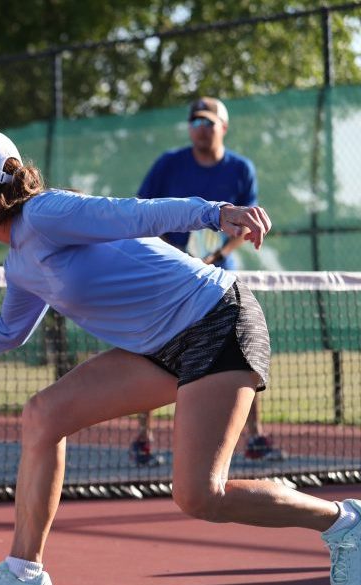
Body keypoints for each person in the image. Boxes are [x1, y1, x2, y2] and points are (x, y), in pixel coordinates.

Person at [0, 130, 359, 585]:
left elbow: (131, 214)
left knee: (199, 495)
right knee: (44, 415)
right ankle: (23, 572)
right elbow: (8, 331)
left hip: (216, 319)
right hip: (159, 346)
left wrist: (215, 212)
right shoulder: (19, 263)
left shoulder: (45, 213)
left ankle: (345, 523)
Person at [133, 96, 283, 466]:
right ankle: (143, 439)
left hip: (219, 281)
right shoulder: (169, 164)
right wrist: (170, 258)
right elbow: (140, 211)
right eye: (195, 123)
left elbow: (246, 222)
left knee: (243, 351)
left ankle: (255, 438)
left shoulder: (240, 169)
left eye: (208, 123)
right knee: (151, 348)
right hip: (169, 275)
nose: (201, 129)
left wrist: (213, 257)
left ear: (223, 127)